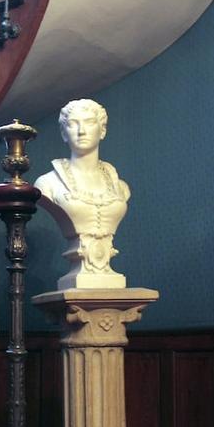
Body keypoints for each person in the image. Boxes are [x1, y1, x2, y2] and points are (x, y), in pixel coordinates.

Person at [35, 99, 130, 289]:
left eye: (89, 122)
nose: (81, 131)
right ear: (63, 133)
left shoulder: (120, 187)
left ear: (102, 130)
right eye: (73, 124)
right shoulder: (47, 185)